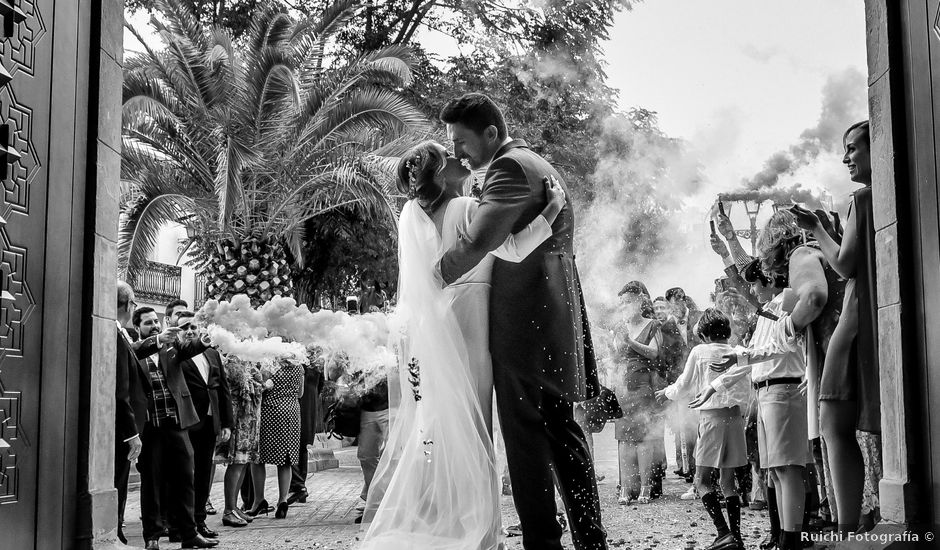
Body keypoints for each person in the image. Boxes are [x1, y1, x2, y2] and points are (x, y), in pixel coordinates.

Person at [360, 127, 574, 548]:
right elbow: (510, 249)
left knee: (444, 420)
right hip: (471, 319)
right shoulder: (464, 206)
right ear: (443, 173)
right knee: (476, 424)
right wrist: (550, 211)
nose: (463, 157)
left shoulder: (414, 216)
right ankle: (477, 527)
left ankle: (444, 515)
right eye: (452, 155)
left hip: (438, 324)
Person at [438, 92, 605, 550]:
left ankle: (543, 542)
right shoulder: (539, 163)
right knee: (561, 428)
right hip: (553, 307)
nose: (457, 153)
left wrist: (429, 281)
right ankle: (591, 538)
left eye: (461, 141)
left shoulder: (509, 168)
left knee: (525, 435)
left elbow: (476, 244)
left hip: (524, 315)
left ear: (491, 133)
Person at [790, 120, 880, 534]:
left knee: (834, 425)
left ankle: (847, 530)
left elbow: (844, 264)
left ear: (875, 147)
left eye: (852, 149)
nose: (846, 158)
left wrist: (816, 230)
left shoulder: (863, 199)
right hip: (881, 321)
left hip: (856, 323)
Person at [693, 259, 810, 550]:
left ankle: (791, 540)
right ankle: (783, 536)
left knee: (787, 468)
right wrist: (716, 385)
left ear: (769, 279)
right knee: (776, 471)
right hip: (767, 391)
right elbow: (752, 361)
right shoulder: (770, 308)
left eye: (755, 284)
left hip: (784, 389)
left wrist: (738, 360)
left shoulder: (787, 301)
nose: (752, 291)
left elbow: (776, 349)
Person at [657, 309, 750, 550]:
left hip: (711, 419)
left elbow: (684, 384)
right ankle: (736, 538)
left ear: (704, 334)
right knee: (728, 483)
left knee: (702, 481)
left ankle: (722, 533)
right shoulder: (736, 351)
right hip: (735, 418)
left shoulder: (699, 352)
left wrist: (667, 392)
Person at [132, 307, 218, 549]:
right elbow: (133, 351)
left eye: (156, 322)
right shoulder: (135, 350)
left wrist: (204, 340)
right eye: (148, 323)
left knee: (185, 478)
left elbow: (192, 348)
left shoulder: (173, 348)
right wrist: (156, 340)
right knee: (152, 483)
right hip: (150, 427)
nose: (155, 326)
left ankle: (189, 534)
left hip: (178, 424)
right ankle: (152, 536)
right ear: (138, 327)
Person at [176, 311, 233, 539]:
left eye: (193, 326)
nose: (190, 331)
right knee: (185, 475)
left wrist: (226, 423)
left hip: (210, 423)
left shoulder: (212, 354)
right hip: (188, 423)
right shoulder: (176, 355)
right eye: (184, 327)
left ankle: (199, 521)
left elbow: (223, 389)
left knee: (203, 473)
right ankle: (183, 524)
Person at [609, 281, 662, 505]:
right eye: (622, 303)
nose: (624, 306)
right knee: (623, 438)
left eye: (628, 301)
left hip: (642, 385)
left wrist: (629, 341)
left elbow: (654, 353)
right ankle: (626, 487)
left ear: (640, 302)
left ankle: (645, 487)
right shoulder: (619, 326)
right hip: (622, 385)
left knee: (643, 436)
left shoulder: (653, 325)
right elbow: (613, 358)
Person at [248, 358, 305, 519]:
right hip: (292, 411)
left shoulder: (268, 363)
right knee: (285, 459)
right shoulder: (299, 365)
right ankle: (282, 500)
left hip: (270, 410)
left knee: (258, 457)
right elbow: (300, 393)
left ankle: (258, 500)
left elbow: (261, 388)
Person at [115, 282, 147, 545]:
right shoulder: (114, 333)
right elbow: (120, 391)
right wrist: (131, 434)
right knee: (118, 482)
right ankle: (114, 532)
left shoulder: (119, 332)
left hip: (124, 426)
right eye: (133, 303)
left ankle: (117, 530)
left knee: (121, 483)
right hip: (121, 430)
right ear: (127, 305)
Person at [216, 357, 263, 528]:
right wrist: (264, 384)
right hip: (239, 419)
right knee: (236, 463)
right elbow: (246, 386)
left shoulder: (247, 359)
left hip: (248, 420)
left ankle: (234, 507)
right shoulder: (231, 361)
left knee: (243, 464)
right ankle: (228, 510)